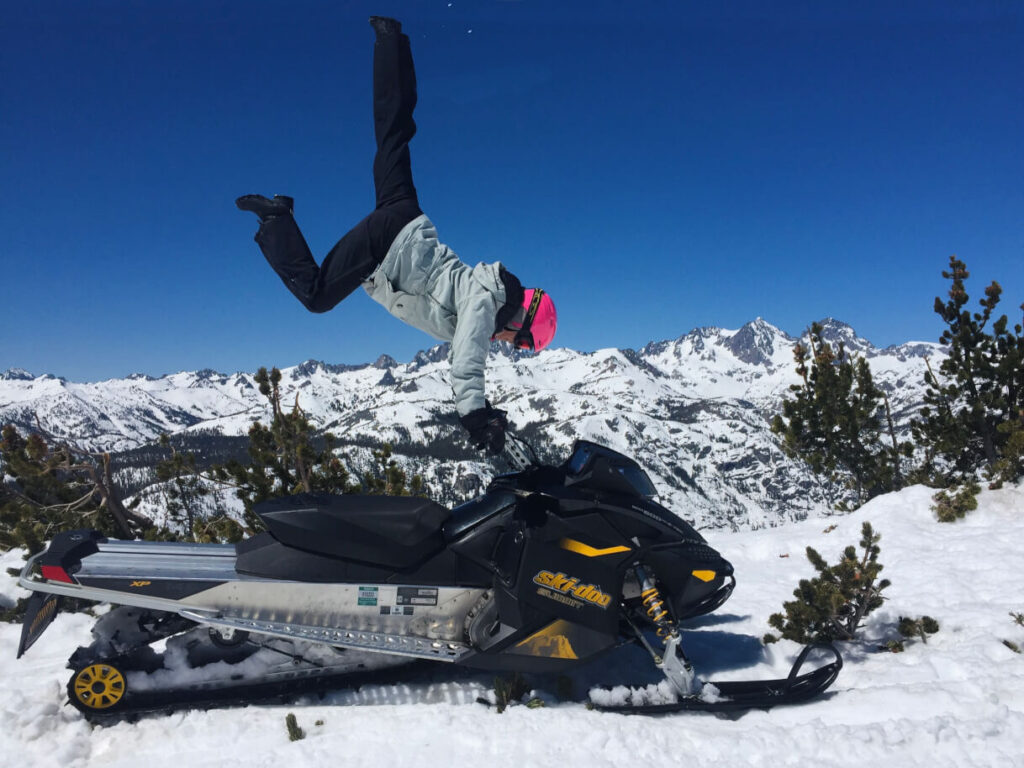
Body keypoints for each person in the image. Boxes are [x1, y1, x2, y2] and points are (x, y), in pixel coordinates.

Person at [237, 16, 556, 456]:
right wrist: (475, 415)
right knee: (315, 295)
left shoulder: (487, 289)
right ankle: (277, 221)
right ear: (522, 322)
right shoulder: (489, 304)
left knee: (394, 133)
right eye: (520, 342)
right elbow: (468, 356)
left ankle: (390, 41)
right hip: (389, 249)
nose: (509, 345)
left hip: (408, 219)